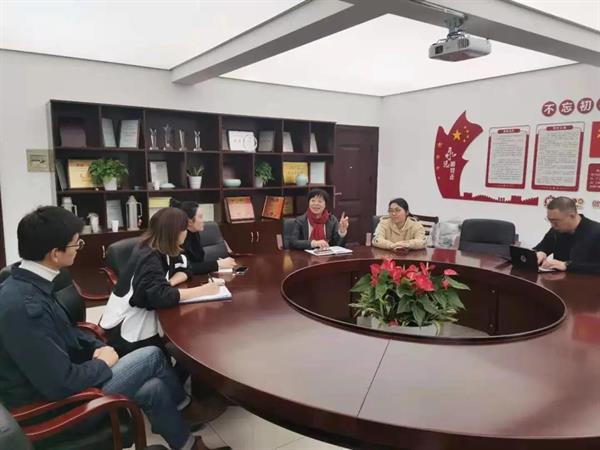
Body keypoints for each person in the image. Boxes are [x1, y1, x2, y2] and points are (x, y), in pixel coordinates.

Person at [0, 206, 228, 450]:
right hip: (57, 409)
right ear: (55, 253)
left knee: (153, 388)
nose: (78, 249)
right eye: (76, 244)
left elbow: (69, 331)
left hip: (68, 380)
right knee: (153, 356)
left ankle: (189, 445)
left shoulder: (30, 284)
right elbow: (60, 384)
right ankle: (188, 408)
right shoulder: (24, 308)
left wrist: (97, 347)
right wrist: (102, 363)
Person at [100, 207, 220, 357]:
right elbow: (159, 296)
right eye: (184, 229)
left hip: (144, 322)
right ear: (175, 232)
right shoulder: (148, 256)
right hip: (126, 332)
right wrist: (203, 291)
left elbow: (186, 267)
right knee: (180, 353)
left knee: (184, 346)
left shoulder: (161, 247)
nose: (186, 233)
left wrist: (170, 282)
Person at [534, 196, 600, 273]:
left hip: (587, 280)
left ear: (572, 216)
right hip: (558, 279)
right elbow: (540, 248)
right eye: (550, 221)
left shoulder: (596, 231)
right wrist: (540, 253)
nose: (552, 225)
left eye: (555, 221)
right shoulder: (556, 230)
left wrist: (567, 265)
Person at [170, 199, 236, 274]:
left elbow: (199, 260)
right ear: (189, 221)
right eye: (200, 217)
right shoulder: (179, 238)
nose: (203, 220)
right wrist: (217, 264)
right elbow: (186, 267)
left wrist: (220, 263)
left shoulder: (194, 232)